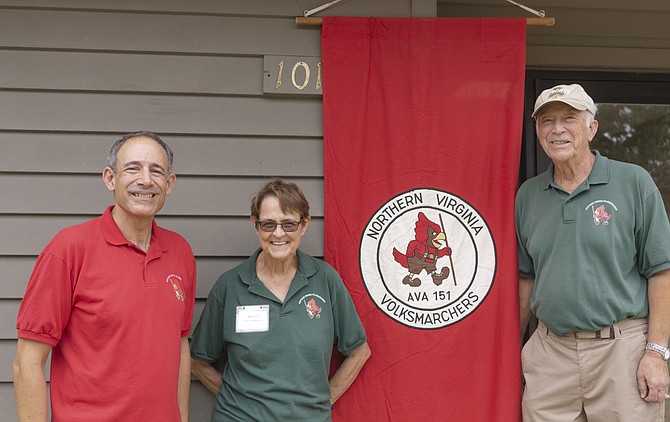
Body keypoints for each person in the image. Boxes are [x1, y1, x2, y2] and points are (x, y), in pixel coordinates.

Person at [13, 131, 196, 422]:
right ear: (110, 178)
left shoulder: (180, 251)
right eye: (133, 168)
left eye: (156, 171)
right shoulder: (69, 249)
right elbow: (28, 363)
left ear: (169, 184)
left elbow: (180, 346)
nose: (145, 180)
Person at [516, 84, 670, 421]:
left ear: (591, 128)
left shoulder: (634, 183)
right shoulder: (527, 196)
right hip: (549, 352)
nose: (557, 129)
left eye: (569, 118)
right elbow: (525, 279)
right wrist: (512, 352)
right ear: (538, 131)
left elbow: (661, 271)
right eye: (546, 121)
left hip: (622, 350)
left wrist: (657, 353)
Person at [190, 177, 370, 421]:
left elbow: (359, 352)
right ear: (255, 225)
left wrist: (326, 401)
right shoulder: (230, 286)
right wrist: (236, 403)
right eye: (268, 224)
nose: (278, 234)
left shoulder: (325, 280)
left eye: (289, 224)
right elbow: (197, 360)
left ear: (304, 224)